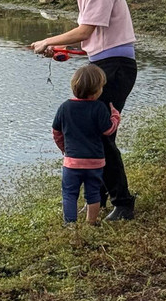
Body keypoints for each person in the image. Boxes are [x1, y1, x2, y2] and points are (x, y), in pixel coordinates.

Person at [30, 0, 138, 221]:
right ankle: (97, 200)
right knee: (95, 133)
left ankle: (123, 203)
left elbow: (86, 31)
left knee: (102, 135)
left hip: (116, 68)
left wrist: (50, 40)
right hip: (103, 63)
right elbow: (90, 38)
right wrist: (60, 49)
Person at [52, 63, 121, 226]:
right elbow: (108, 130)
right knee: (93, 193)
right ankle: (91, 222)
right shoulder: (99, 107)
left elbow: (56, 132)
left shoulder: (65, 107)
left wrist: (64, 149)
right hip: (95, 162)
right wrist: (115, 116)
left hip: (72, 162)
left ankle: (70, 224)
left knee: (69, 193)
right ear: (97, 90)